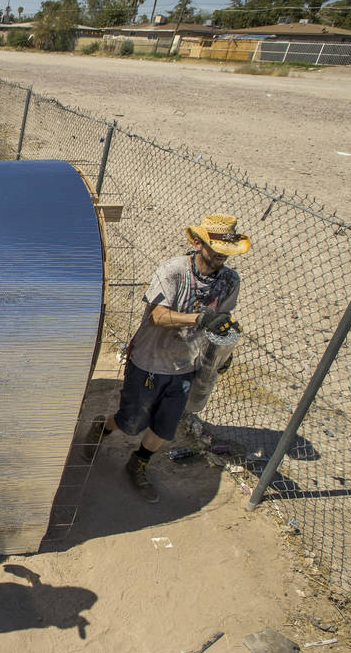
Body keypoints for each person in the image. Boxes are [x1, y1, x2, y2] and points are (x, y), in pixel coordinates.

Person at [88, 213, 249, 503]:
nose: (221, 256)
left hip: (187, 365)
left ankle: (138, 463)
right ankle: (102, 427)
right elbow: (158, 316)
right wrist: (199, 319)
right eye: (216, 249)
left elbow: (223, 322)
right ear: (198, 243)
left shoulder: (229, 281)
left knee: (165, 426)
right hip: (150, 361)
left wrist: (223, 354)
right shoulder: (174, 271)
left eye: (227, 251)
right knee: (131, 421)